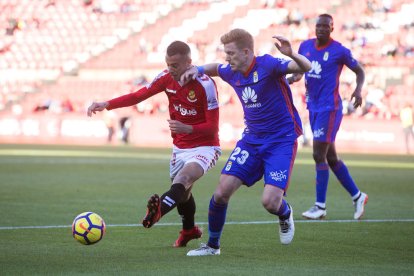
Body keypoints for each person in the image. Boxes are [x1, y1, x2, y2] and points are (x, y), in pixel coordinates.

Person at [181, 28, 311, 256]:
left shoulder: (268, 65)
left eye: (230, 53)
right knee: (221, 192)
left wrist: (291, 54)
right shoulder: (231, 71)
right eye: (225, 53)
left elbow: (304, 67)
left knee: (270, 202)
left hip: (281, 140)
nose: (226, 58)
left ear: (246, 52)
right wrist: (197, 69)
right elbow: (215, 68)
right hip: (251, 141)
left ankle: (284, 212)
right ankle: (213, 246)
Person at [87, 41, 221, 247]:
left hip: (205, 146)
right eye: (168, 64)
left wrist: (188, 129)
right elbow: (139, 95)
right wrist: (107, 104)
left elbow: (212, 128)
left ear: (189, 63)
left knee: (184, 178)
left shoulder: (206, 84)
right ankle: (189, 231)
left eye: (175, 65)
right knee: (182, 193)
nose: (171, 69)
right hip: (180, 147)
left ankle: (158, 212)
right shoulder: (165, 78)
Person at [288, 14, 368, 220]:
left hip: (329, 109)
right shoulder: (305, 46)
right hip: (313, 107)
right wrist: (293, 78)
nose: (321, 29)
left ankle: (320, 206)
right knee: (331, 158)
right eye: (318, 25)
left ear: (332, 29)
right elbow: (300, 71)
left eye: (326, 26)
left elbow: (359, 71)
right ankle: (358, 196)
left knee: (317, 154)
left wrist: (358, 91)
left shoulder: (339, 50)